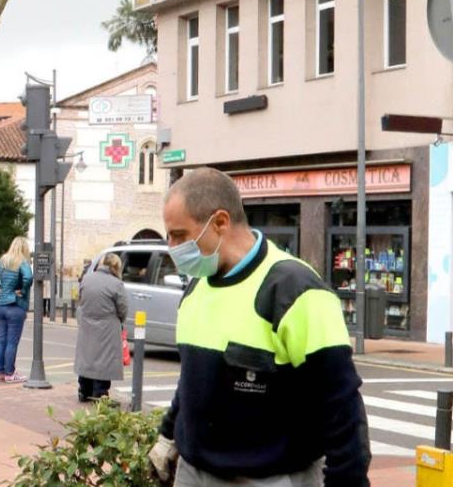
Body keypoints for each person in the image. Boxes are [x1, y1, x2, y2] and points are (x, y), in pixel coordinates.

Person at [147, 168, 370, 486]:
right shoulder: (197, 289)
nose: (171, 246)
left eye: (180, 235)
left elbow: (341, 402)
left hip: (271, 478)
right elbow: (193, 381)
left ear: (220, 222)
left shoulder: (294, 289)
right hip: (194, 474)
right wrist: (168, 435)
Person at [73, 252, 128, 402]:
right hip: (107, 327)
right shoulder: (116, 284)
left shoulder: (87, 279)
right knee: (104, 360)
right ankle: (100, 393)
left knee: (87, 358)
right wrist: (119, 321)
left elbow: (80, 300)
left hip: (87, 324)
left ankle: (83, 390)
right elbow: (123, 309)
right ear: (116, 267)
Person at [0, 237, 34, 383]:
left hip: (1, 306)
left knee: (1, 341)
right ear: (24, 249)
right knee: (12, 342)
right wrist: (23, 292)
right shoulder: (23, 262)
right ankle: (10, 373)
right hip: (15, 306)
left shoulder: (3, 261)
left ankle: (0, 372)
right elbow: (28, 278)